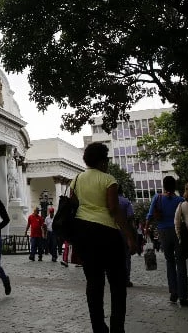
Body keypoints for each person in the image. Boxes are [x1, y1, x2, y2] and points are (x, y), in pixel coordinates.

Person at [72, 142, 136, 333]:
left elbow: (74, 206)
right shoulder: (109, 180)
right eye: (106, 160)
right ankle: (117, 327)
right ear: (101, 161)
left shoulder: (76, 180)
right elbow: (114, 209)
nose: (107, 163)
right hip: (107, 233)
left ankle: (98, 327)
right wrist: (129, 236)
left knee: (93, 283)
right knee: (117, 284)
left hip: (84, 233)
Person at [145, 175, 188, 306]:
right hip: (178, 232)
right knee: (181, 262)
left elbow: (150, 215)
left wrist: (146, 228)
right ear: (175, 186)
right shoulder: (180, 200)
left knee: (170, 262)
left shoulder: (157, 198)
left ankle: (173, 292)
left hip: (163, 232)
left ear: (163, 186)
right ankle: (183, 297)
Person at [117, 185, 135, 287]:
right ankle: (126, 279)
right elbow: (131, 216)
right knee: (126, 256)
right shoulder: (126, 201)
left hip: (112, 231)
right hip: (125, 231)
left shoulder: (109, 201)